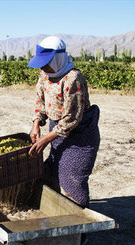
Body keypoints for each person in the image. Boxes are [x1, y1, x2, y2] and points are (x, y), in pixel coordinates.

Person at [27, 35, 100, 212]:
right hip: (57, 135)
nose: (44, 67)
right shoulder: (45, 75)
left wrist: (45, 140)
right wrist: (36, 123)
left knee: (72, 181)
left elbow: (71, 118)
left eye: (46, 62)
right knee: (49, 174)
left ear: (58, 58)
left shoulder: (72, 78)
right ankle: (56, 216)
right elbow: (40, 101)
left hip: (79, 137)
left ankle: (79, 233)